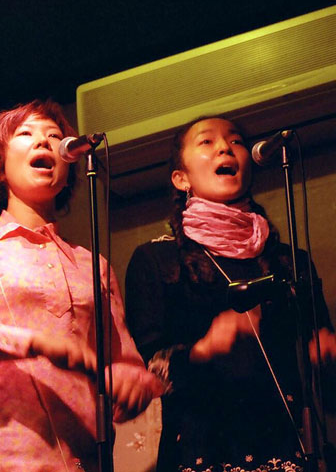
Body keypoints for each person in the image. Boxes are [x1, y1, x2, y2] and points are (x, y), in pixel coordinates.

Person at [0, 99, 162, 471]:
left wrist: (133, 385)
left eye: (54, 136)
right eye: (26, 134)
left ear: (68, 168)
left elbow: (123, 363)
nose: (44, 142)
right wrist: (34, 343)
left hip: (82, 457)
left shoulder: (93, 265)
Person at [125, 116, 336, 472]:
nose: (225, 147)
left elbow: (326, 383)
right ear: (181, 179)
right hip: (201, 450)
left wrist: (325, 355)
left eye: (235, 141)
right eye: (207, 142)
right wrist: (203, 350)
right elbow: (147, 373)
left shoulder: (290, 261)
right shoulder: (157, 259)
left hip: (289, 448)